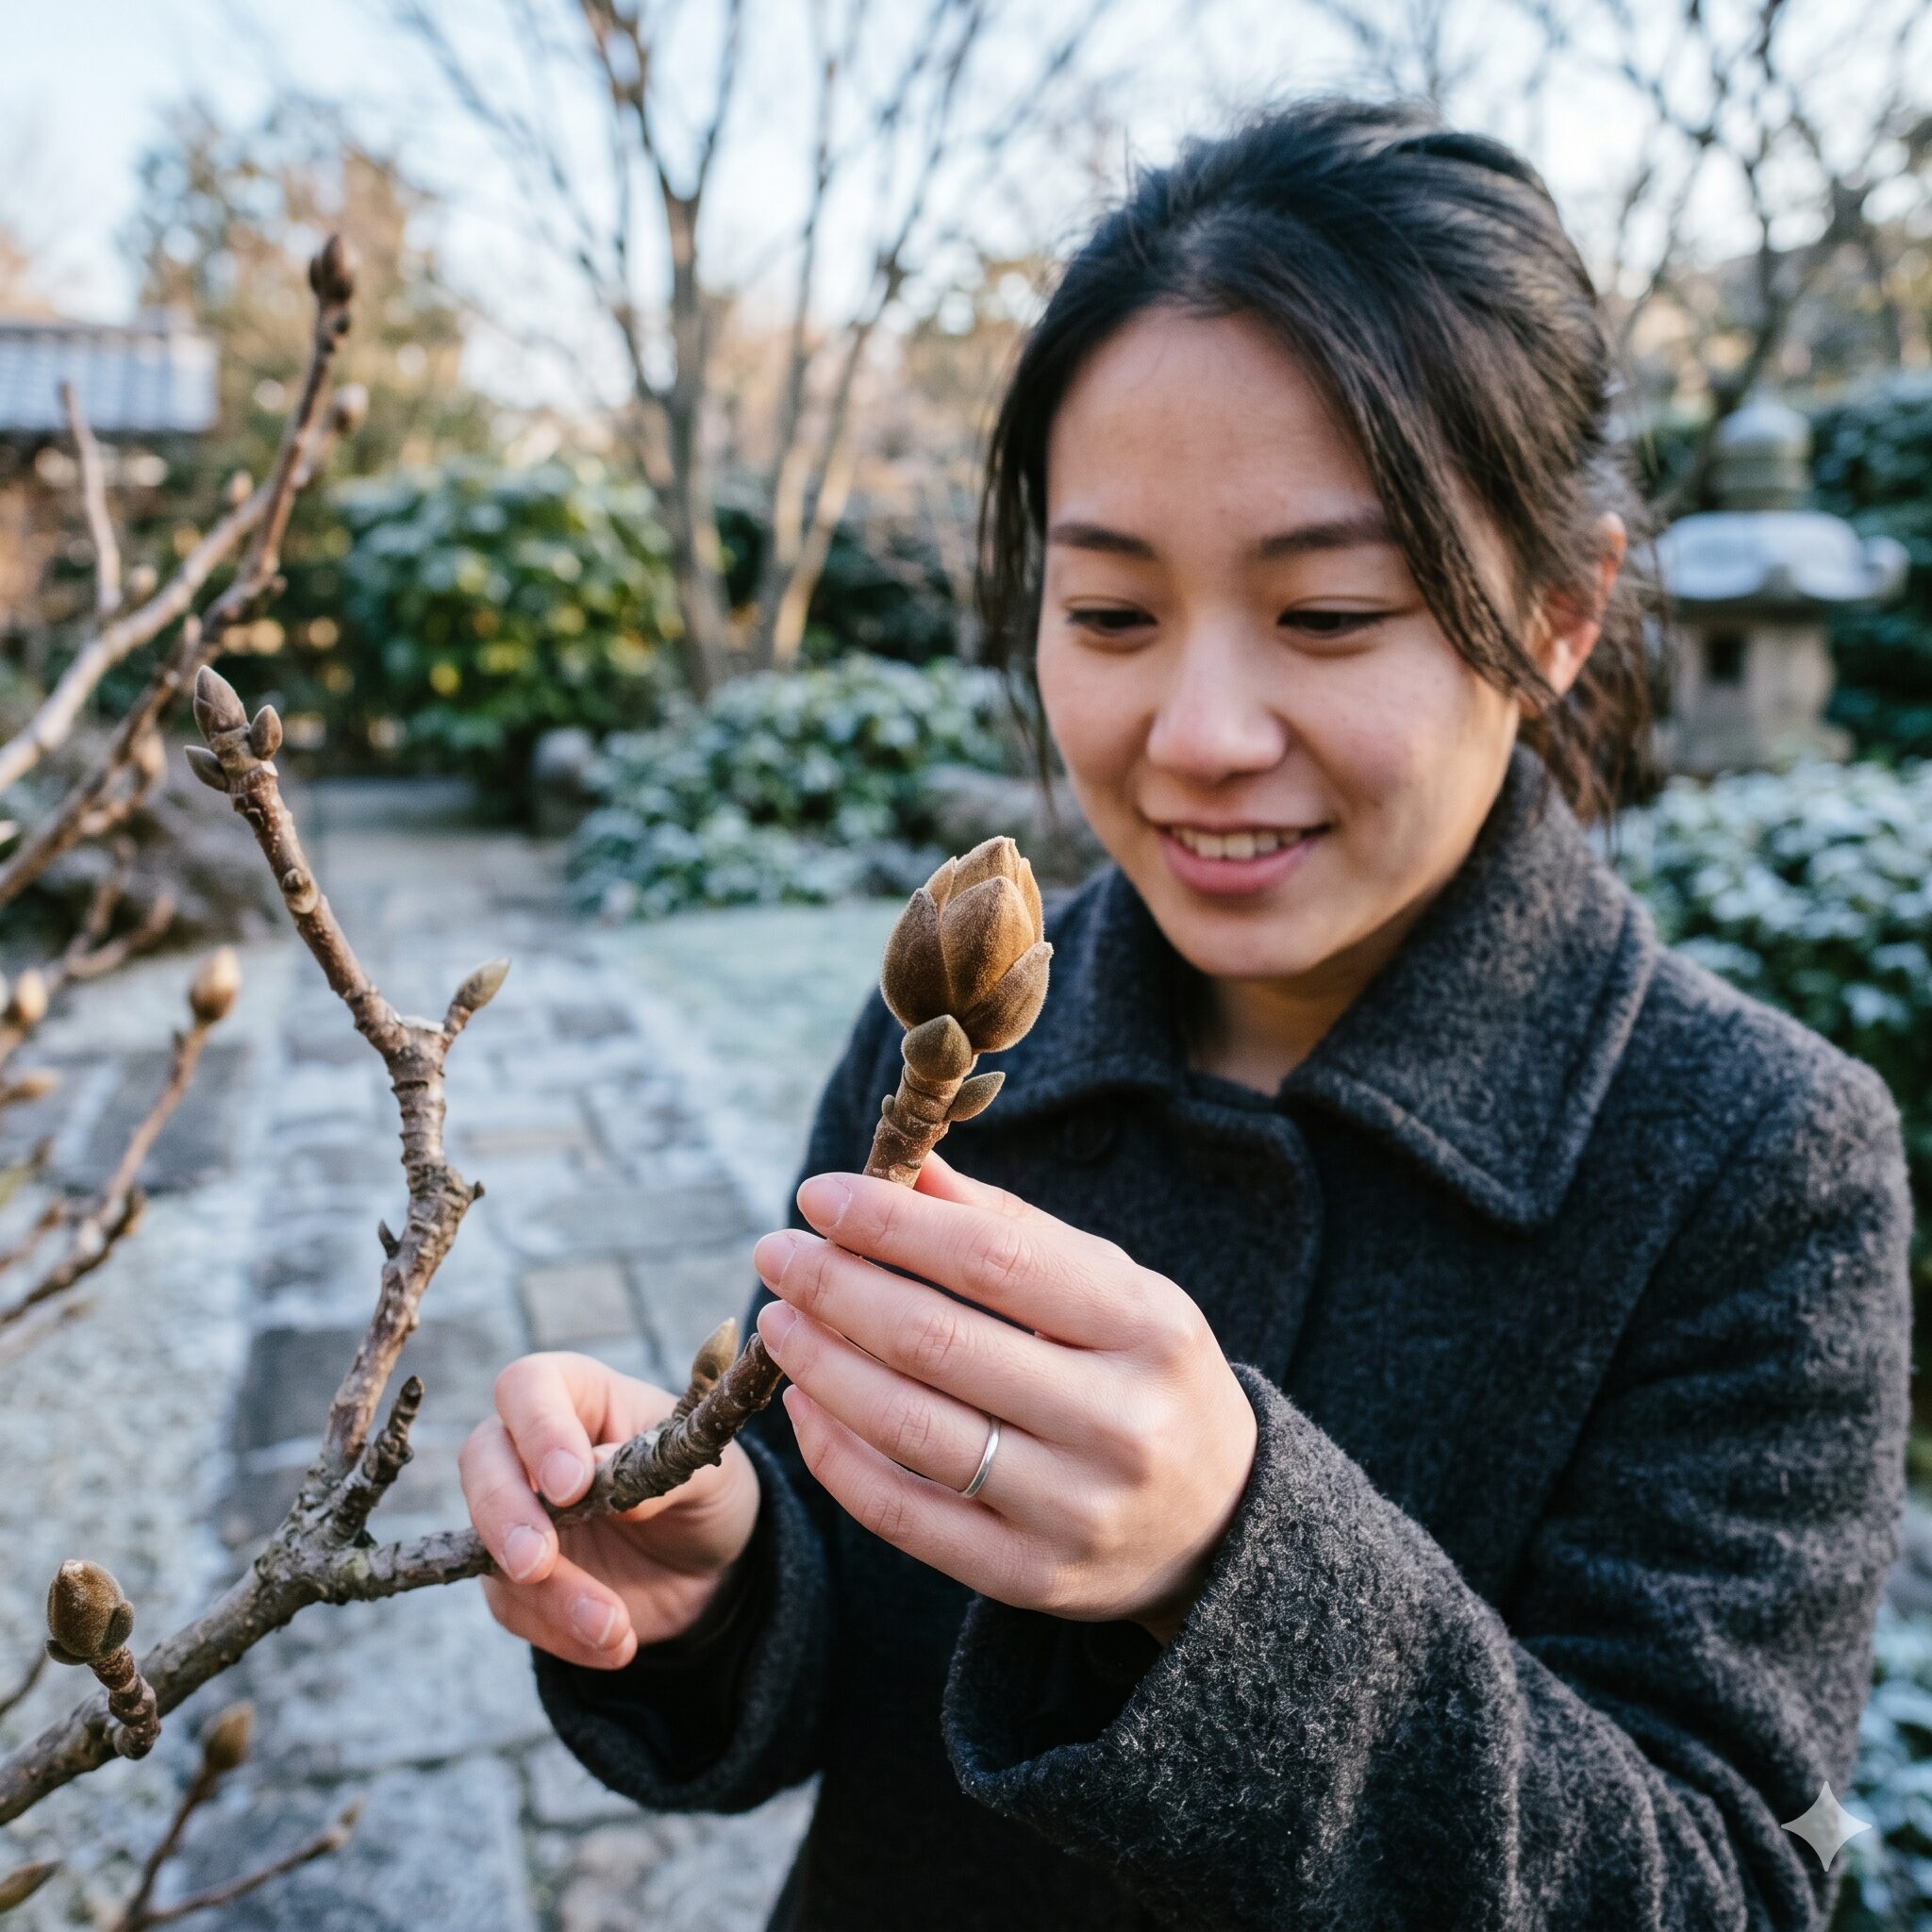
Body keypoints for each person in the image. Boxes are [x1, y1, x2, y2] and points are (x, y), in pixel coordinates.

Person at [459, 97, 1912, 1929]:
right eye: (1111, 610)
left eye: (1327, 612)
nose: (1200, 733)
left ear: (1556, 613)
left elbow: (1707, 1889)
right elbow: (841, 1614)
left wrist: (1238, 1562)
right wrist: (717, 1571)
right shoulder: (964, 1028)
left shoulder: (1744, 1165)